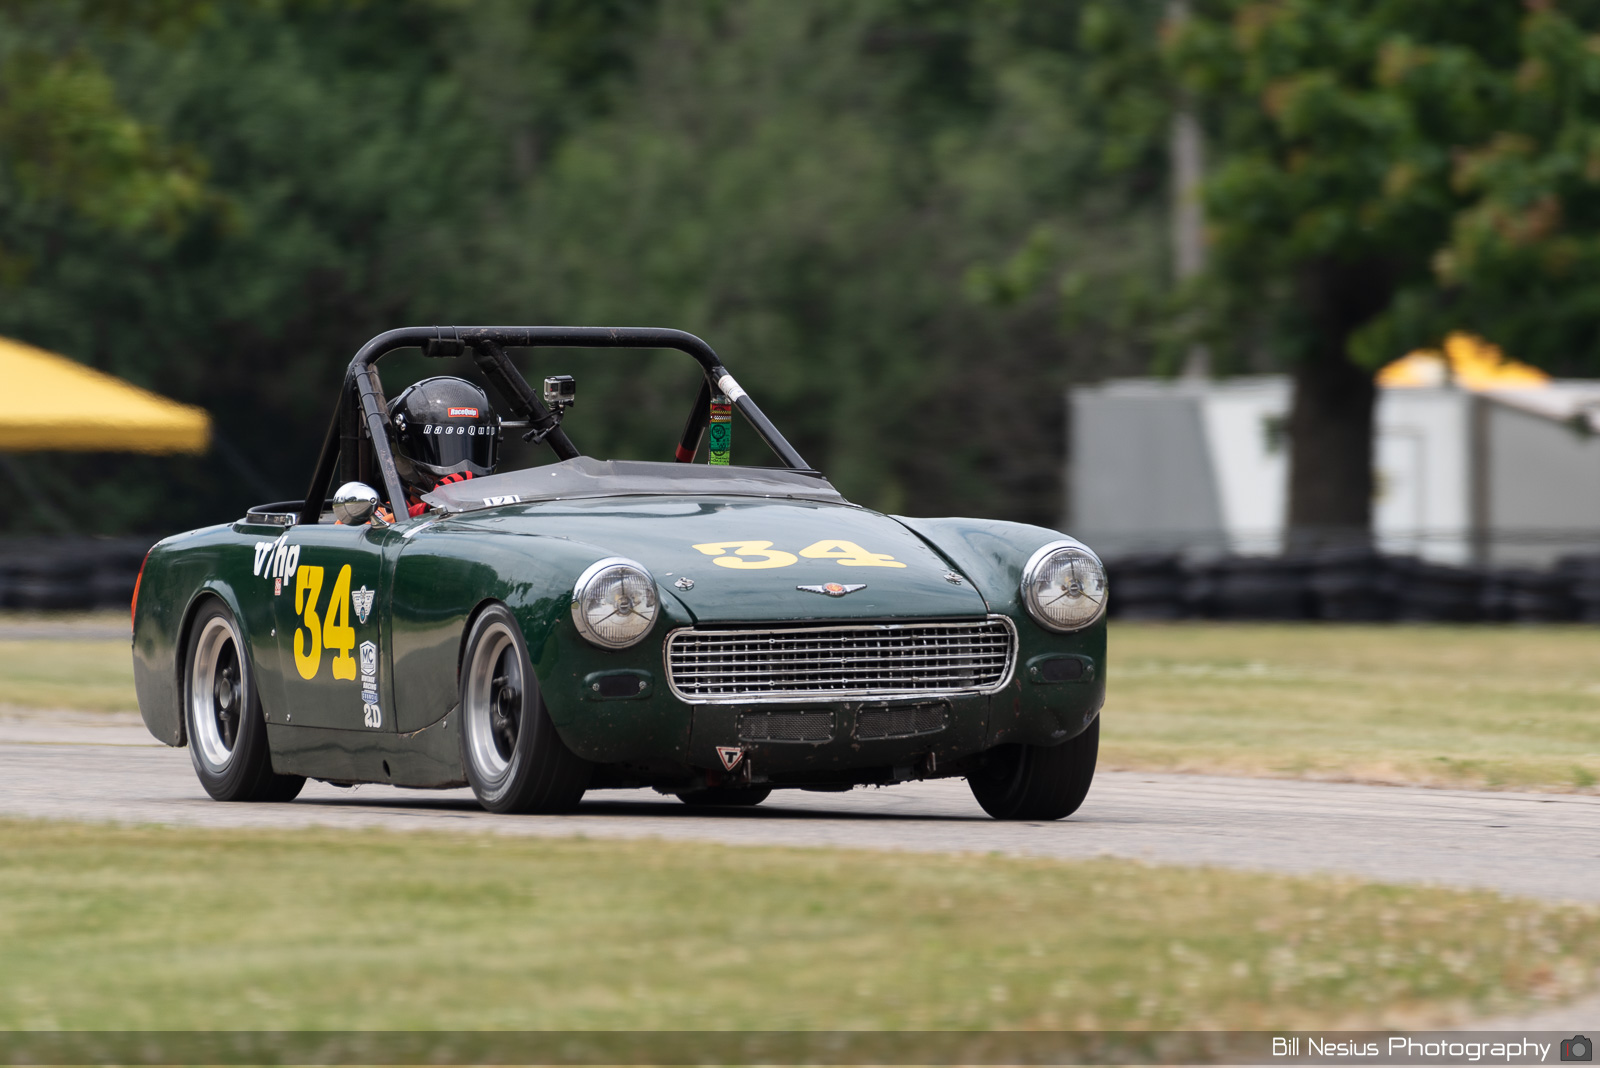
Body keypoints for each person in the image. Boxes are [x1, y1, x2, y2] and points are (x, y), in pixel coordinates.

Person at [383, 377, 501, 518]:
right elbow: (380, 524)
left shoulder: (503, 499)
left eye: (475, 450)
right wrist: (433, 507)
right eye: (448, 451)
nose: (464, 472)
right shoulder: (389, 513)